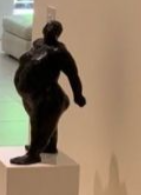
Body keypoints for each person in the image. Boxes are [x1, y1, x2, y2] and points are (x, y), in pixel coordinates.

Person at [11, 20, 87, 166]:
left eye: (55, 28)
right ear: (44, 28)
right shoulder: (38, 44)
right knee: (43, 121)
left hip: (48, 96)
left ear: (58, 33)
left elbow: (73, 75)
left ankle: (33, 154)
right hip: (31, 96)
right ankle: (50, 146)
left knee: (40, 122)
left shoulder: (59, 52)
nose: (50, 30)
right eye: (49, 26)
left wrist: (78, 95)